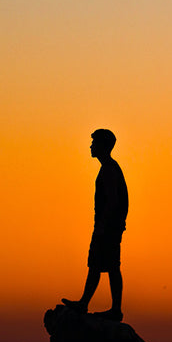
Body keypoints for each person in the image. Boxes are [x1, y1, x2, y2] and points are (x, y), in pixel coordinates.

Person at [62, 129, 128, 321]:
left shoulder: (109, 169)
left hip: (107, 228)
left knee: (107, 266)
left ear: (103, 146)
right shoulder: (109, 167)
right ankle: (87, 303)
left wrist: (103, 226)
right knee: (99, 265)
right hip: (109, 227)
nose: (91, 146)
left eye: (94, 143)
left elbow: (113, 201)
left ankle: (111, 309)